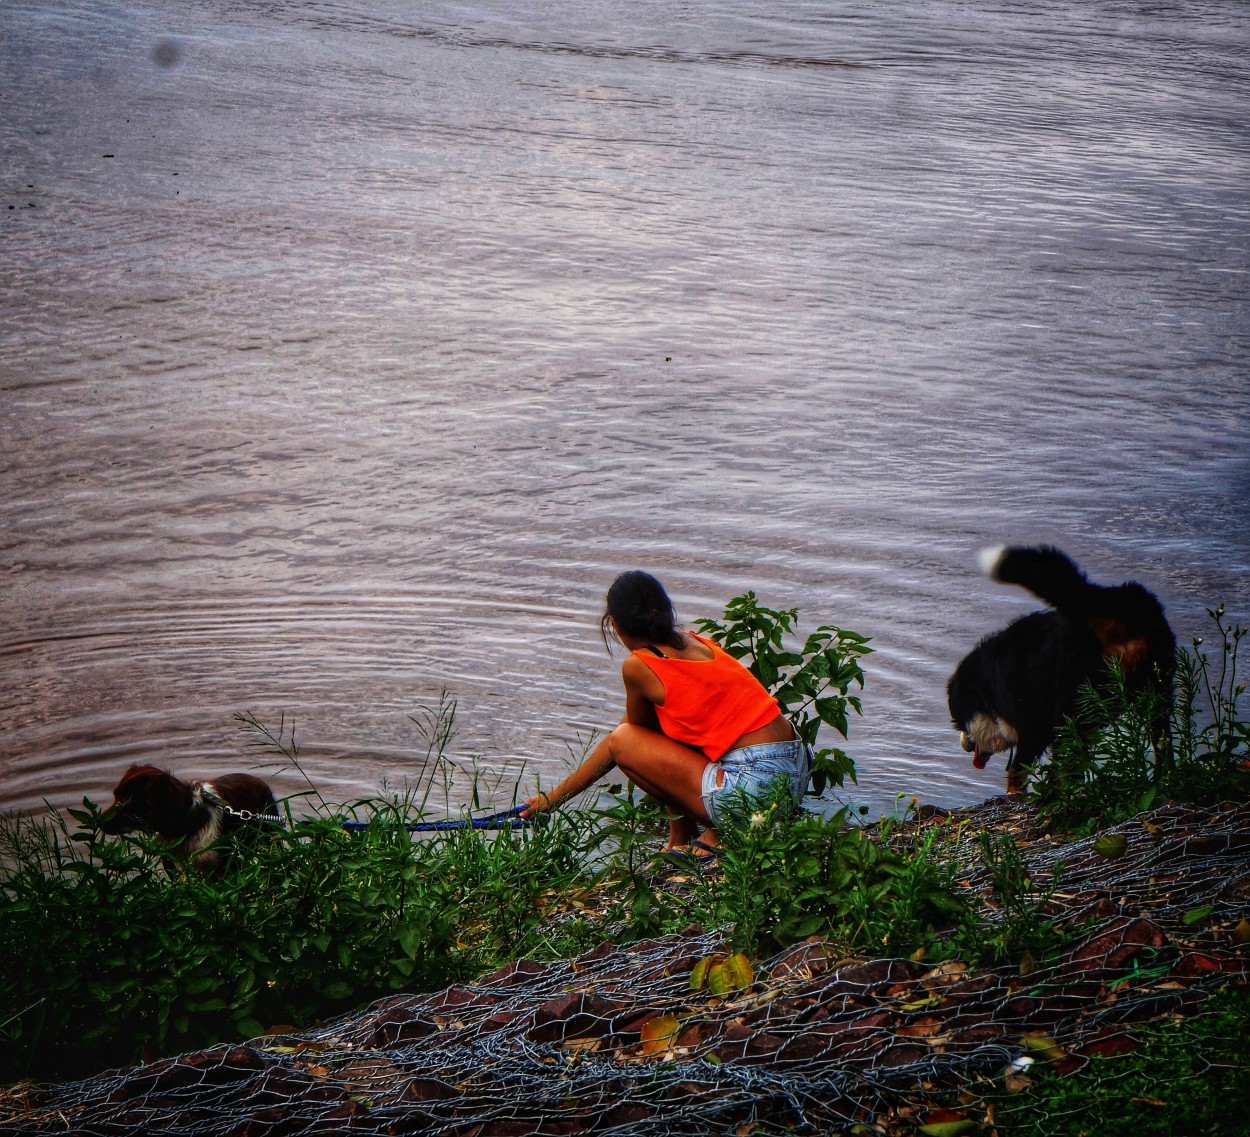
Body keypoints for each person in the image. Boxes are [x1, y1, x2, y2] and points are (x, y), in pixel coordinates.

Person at [521, 570, 809, 858]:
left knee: (628, 739)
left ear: (615, 625)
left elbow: (624, 742)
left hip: (753, 788)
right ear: (666, 610)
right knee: (661, 728)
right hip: (794, 775)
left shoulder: (639, 666)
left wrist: (553, 799)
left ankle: (702, 836)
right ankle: (688, 836)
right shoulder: (699, 642)